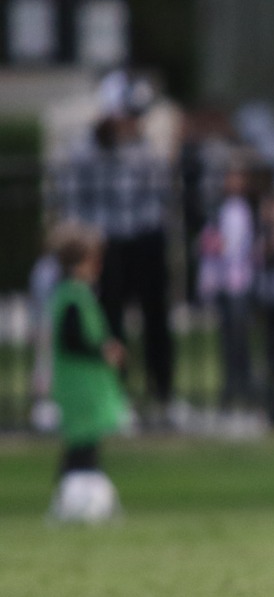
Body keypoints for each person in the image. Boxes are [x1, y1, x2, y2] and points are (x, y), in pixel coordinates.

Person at [50, 104, 175, 419]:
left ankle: (162, 392)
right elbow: (72, 197)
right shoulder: (84, 152)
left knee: (156, 315)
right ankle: (114, 394)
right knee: (109, 315)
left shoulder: (144, 150)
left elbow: (160, 193)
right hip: (104, 239)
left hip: (143, 236)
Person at [44, 222, 130, 521]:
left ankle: (71, 498)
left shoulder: (74, 294)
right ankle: (81, 500)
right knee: (83, 445)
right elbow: (72, 339)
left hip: (84, 384)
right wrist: (103, 351)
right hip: (81, 386)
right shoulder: (73, 297)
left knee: (82, 444)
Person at [197, 157, 264, 436]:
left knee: (240, 342)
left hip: (239, 283)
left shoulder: (243, 210)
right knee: (228, 341)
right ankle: (232, 391)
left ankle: (245, 393)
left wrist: (216, 245)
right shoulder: (218, 210)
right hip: (225, 284)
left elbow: (231, 246)